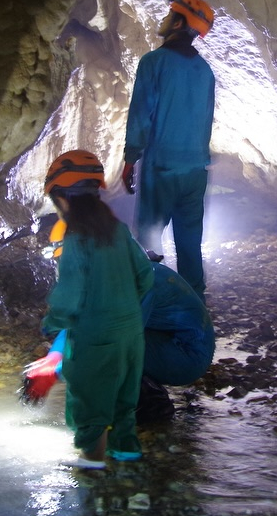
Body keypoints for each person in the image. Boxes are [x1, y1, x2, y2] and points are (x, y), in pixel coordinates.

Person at [39, 149, 155, 469]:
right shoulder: (118, 230)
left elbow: (69, 295)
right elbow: (145, 275)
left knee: (90, 399)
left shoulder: (76, 239)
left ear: (62, 199)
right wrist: (126, 306)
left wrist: (52, 322)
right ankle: (126, 454)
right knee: (123, 400)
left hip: (95, 336)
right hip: (132, 335)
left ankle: (92, 466)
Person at [22, 234, 215, 425]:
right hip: (164, 339)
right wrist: (54, 357)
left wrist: (56, 372)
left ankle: (150, 403)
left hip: (187, 356)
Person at [121, 0, 216, 295]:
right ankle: (195, 311)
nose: (164, 19)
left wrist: (130, 158)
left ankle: (151, 307)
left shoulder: (154, 62)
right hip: (196, 170)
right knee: (190, 245)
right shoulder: (205, 72)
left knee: (149, 242)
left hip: (162, 167)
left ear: (178, 23)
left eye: (169, 14)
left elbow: (140, 115)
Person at [137, 261, 216, 422]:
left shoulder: (141, 281)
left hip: (187, 358)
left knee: (106, 344)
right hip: (182, 346)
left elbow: (121, 334)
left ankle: (152, 401)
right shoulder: (138, 267)